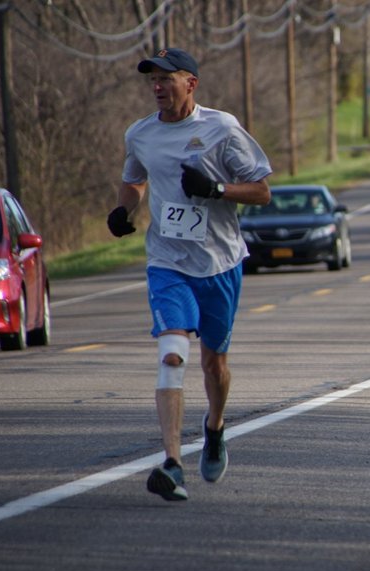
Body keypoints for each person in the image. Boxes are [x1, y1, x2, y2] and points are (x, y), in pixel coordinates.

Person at [107, 48, 273, 501]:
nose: (157, 87)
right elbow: (135, 179)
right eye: (152, 80)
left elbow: (261, 190)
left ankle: (215, 429)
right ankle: (173, 463)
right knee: (173, 352)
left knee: (214, 362)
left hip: (219, 263)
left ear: (191, 83)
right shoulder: (140, 134)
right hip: (167, 261)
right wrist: (124, 210)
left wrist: (217, 189)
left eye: (166, 78)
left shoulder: (221, 128)